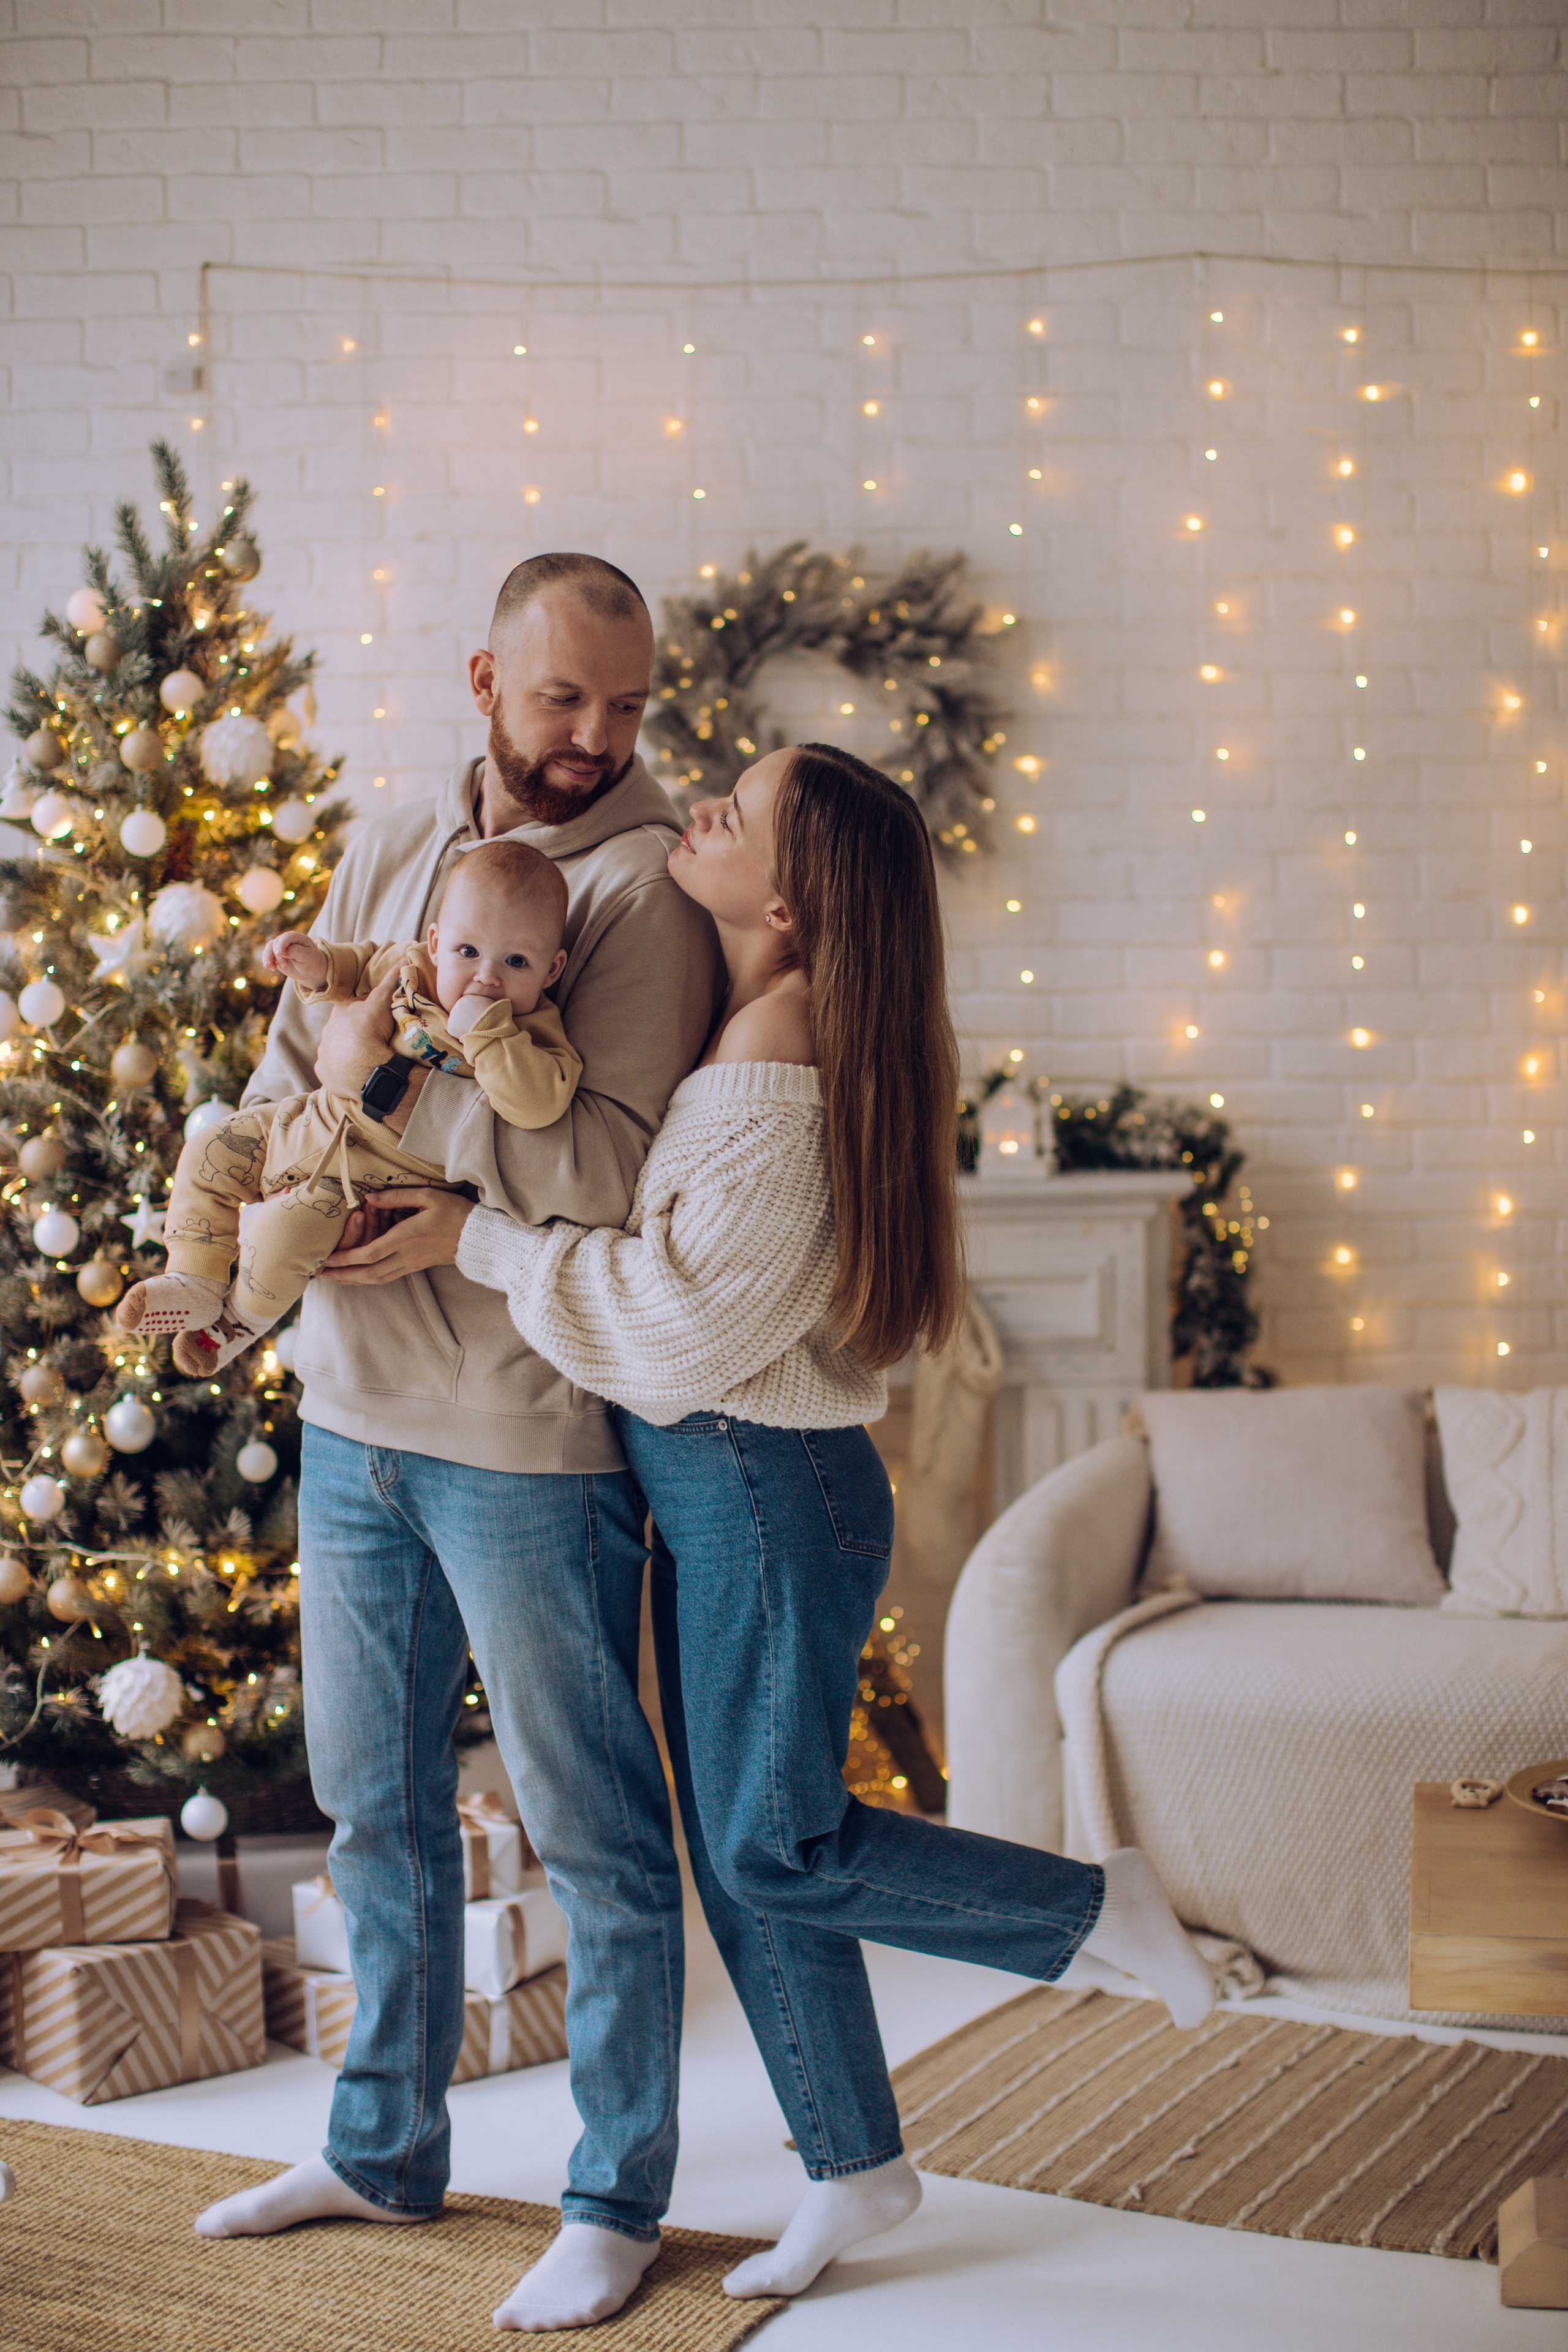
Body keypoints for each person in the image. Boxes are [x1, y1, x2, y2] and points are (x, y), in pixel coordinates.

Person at [359, 741, 1216, 2306]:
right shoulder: (763, 1024)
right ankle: (855, 2165)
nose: (702, 809)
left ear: (798, 902)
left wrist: (481, 1238)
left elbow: (675, 1324)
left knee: (772, 1840)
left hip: (762, 1483)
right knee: (753, 1852)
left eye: (735, 813)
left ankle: (1095, 1905)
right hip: (727, 1483)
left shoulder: (779, 1062)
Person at [194, 554, 726, 2338]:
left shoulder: (647, 892)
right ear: (486, 674)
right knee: (374, 1814)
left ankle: (614, 2192)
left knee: (592, 1833)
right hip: (348, 1407)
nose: (598, 736)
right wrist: (300, 1168)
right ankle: (379, 2142)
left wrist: (437, 1169)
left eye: (630, 704)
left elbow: (616, 1163)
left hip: (522, 1435)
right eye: (566, 696)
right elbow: (291, 1064)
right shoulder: (395, 829)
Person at [115, 839, 581, 1373]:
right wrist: (316, 966)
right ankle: (194, 1275)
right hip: (309, 1119)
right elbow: (357, 966)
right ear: (435, 941)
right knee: (211, 1147)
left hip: (365, 1185)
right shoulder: (408, 968)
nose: (487, 977)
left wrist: (490, 1033)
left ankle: (236, 1323)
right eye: (467, 952)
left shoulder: (534, 1033)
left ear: (552, 969)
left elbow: (538, 1106)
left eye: (516, 961)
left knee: (285, 1235)